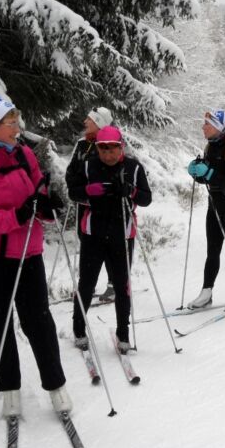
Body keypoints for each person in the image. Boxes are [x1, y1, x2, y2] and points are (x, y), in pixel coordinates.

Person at [0, 94, 72, 417]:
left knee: (39, 323)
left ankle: (56, 387)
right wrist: (17, 216)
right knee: (1, 325)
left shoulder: (24, 155)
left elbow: (36, 198)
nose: (16, 127)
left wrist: (46, 207)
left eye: (16, 120)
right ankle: (9, 392)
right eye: (9, 122)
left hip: (27, 253)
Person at [66, 126, 152, 353]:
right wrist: (88, 191)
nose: (108, 155)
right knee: (86, 283)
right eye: (103, 149)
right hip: (93, 234)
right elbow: (73, 192)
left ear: (121, 146)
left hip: (121, 235)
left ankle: (123, 333)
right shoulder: (87, 166)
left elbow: (146, 199)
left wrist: (130, 191)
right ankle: (79, 328)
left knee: (122, 285)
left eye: (113, 149)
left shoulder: (133, 167)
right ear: (97, 148)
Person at [186, 110, 225, 311]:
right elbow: (208, 179)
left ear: (219, 127)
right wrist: (197, 172)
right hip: (215, 205)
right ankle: (206, 292)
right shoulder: (210, 147)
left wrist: (210, 173)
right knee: (212, 251)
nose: (203, 127)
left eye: (207, 124)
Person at [65, 107, 117, 301]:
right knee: (86, 244)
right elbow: (71, 171)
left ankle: (114, 284)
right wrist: (76, 190)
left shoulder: (108, 144)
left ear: (99, 123)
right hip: (82, 202)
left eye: (90, 119)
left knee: (106, 243)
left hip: (102, 206)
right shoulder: (81, 144)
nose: (85, 122)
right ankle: (87, 285)